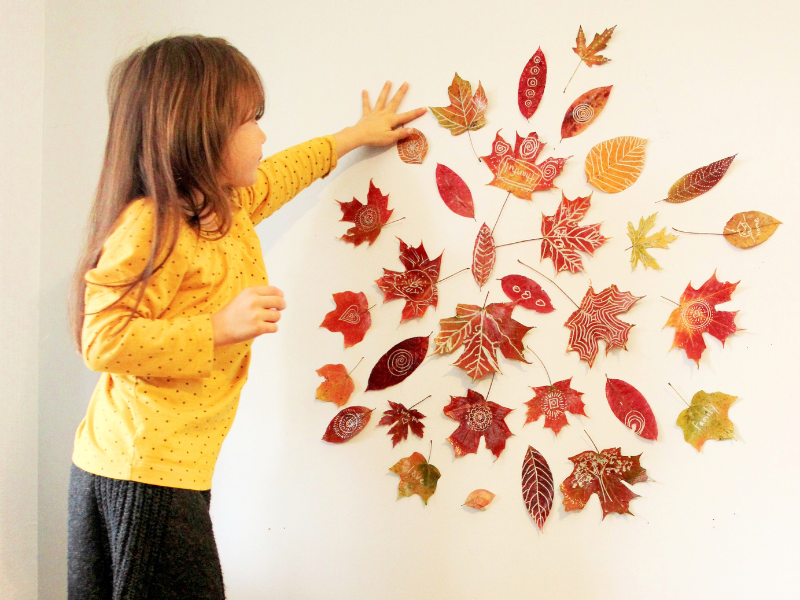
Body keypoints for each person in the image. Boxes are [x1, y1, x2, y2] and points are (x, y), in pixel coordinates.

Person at [66, 34, 425, 599]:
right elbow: (102, 339)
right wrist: (217, 328)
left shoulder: (224, 209)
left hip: (173, 466)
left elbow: (283, 171)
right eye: (250, 120)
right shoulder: (152, 224)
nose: (263, 134)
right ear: (197, 131)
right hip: (138, 468)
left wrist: (354, 137)